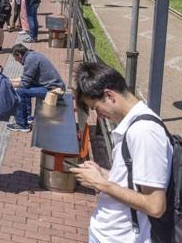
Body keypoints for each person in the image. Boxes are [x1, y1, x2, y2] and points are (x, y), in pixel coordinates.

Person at [72, 62, 172, 243]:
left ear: (110, 96)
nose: (99, 116)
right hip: (109, 233)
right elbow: (133, 182)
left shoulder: (144, 132)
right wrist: (104, 174)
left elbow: (155, 205)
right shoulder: (132, 126)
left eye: (97, 109)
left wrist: (100, 183)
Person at [6, 43, 66, 132]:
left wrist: (6, 85)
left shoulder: (30, 60)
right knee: (23, 90)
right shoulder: (32, 55)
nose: (18, 62)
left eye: (16, 59)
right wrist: (8, 81)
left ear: (19, 54)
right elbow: (25, 78)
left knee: (20, 92)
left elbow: (24, 84)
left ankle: (22, 124)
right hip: (50, 86)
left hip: (54, 91)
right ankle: (27, 117)